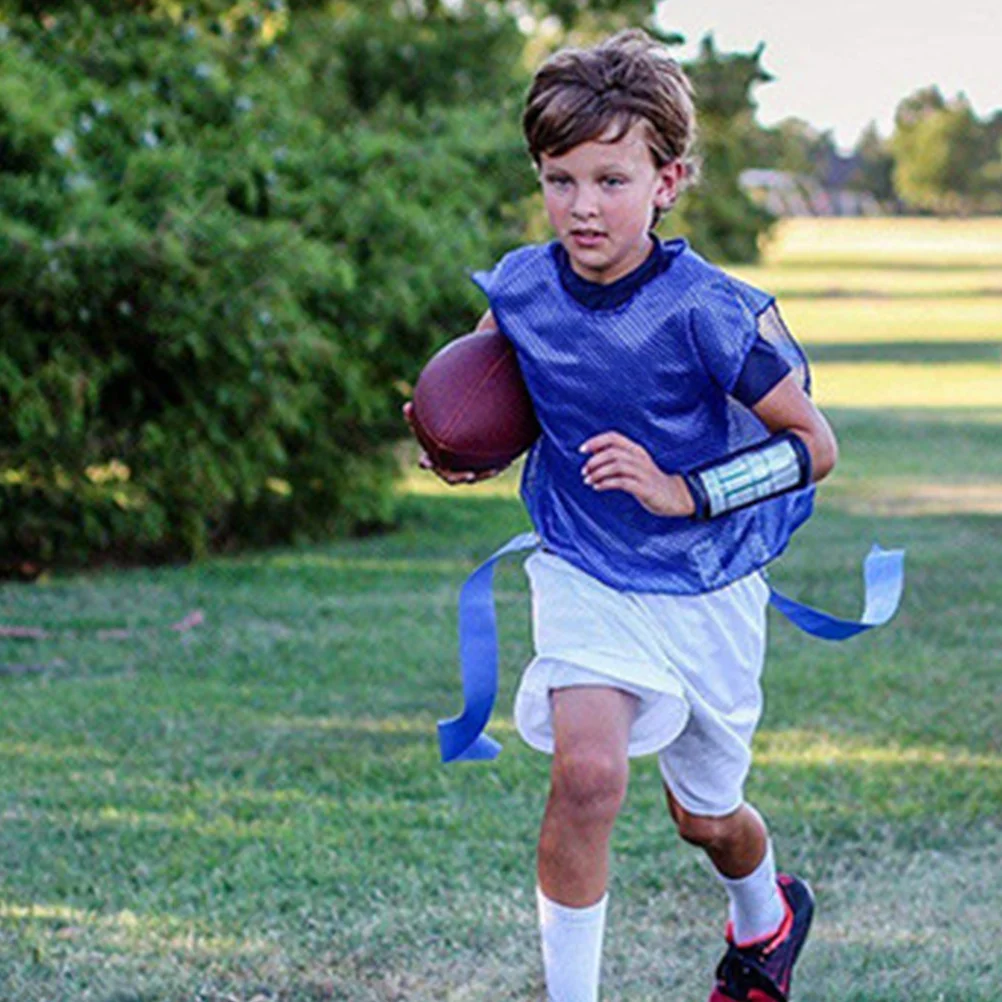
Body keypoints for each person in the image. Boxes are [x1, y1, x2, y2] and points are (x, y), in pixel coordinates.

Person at [405, 28, 838, 1002]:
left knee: (708, 817)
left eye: (610, 180)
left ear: (668, 178)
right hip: (585, 567)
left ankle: (767, 916)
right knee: (588, 775)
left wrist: (682, 491)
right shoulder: (519, 288)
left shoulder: (710, 311)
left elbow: (812, 446)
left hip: (707, 584)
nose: (582, 207)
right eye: (560, 180)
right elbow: (492, 403)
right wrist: (453, 447)